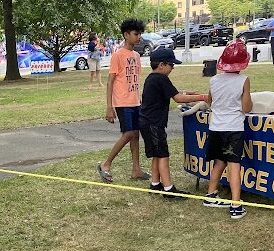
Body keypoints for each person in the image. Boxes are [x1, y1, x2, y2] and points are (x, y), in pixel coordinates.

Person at [139, 48, 208, 197]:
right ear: (162, 65)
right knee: (163, 155)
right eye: (171, 64)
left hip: (147, 122)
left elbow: (174, 93)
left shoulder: (152, 77)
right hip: (154, 124)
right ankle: (169, 189)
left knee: (157, 154)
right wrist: (203, 97)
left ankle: (155, 184)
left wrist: (189, 93)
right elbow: (177, 98)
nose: (173, 68)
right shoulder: (161, 78)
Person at [202, 41, 252, 219]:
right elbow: (246, 107)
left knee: (219, 162)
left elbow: (209, 100)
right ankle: (236, 204)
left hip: (216, 128)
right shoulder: (243, 80)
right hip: (234, 129)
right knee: (234, 165)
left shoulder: (214, 80)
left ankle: (210, 194)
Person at [97, 18, 149, 183]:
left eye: (140, 33)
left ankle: (136, 170)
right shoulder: (117, 55)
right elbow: (110, 81)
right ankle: (106, 164)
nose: (138, 36)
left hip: (135, 102)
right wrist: (109, 107)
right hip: (122, 102)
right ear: (126, 35)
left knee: (135, 135)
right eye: (135, 33)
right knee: (128, 134)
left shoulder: (136, 55)